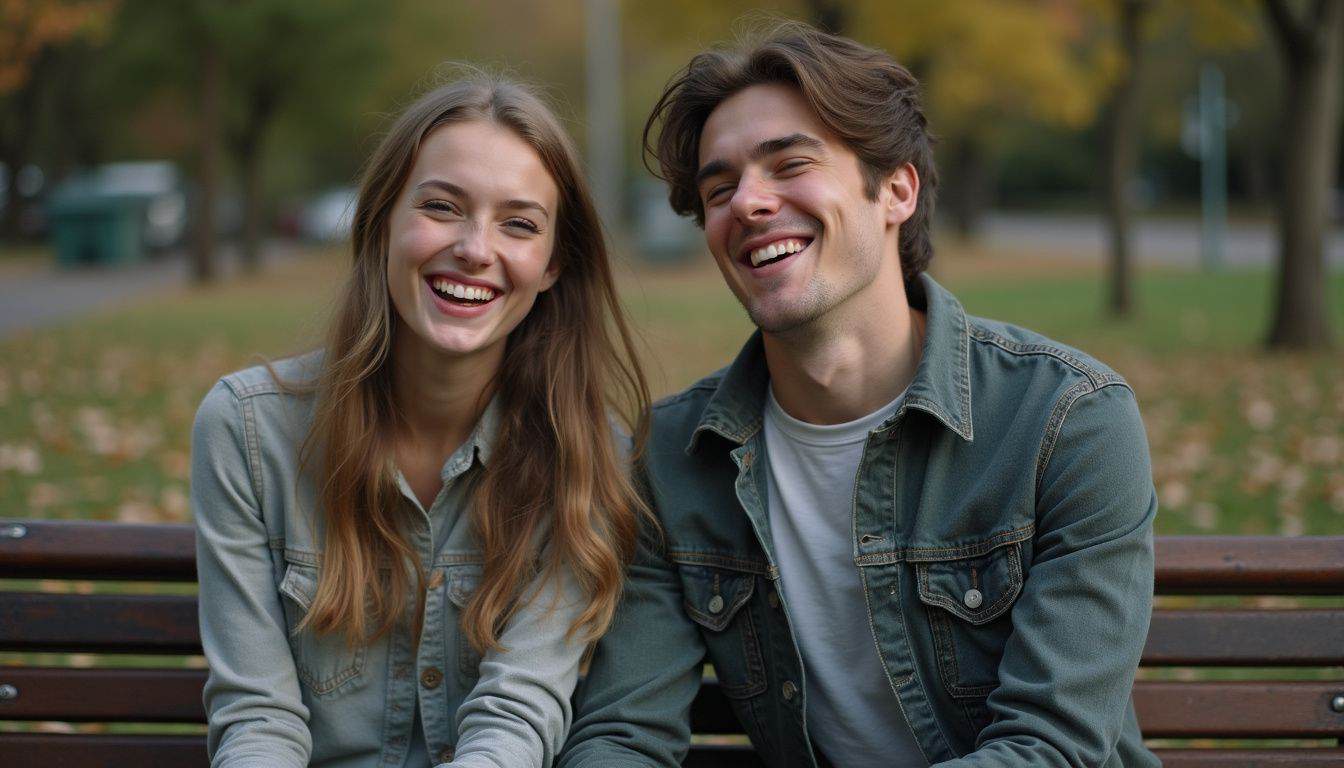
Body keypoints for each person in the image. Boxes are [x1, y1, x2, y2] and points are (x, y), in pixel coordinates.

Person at [560, 22, 1159, 768]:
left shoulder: (1066, 421)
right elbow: (624, 735)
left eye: (790, 164)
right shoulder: (674, 462)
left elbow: (1051, 748)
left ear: (896, 190)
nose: (748, 202)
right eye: (720, 188)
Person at [191, 74, 650, 768]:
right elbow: (258, 719)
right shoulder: (248, 433)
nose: (474, 247)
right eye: (442, 207)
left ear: (554, 263)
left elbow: (516, 716)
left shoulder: (586, 458)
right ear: (381, 221)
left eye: (519, 224)